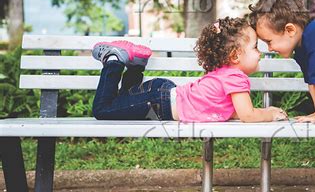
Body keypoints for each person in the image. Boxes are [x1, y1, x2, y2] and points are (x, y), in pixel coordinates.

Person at [91, 17, 288, 123]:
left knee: (122, 100)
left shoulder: (225, 73)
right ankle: (115, 60)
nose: (259, 52)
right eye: (255, 47)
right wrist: (269, 113)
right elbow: (248, 115)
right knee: (103, 110)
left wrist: (259, 112)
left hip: (160, 96)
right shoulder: (236, 78)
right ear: (235, 56)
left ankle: (135, 66)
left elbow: (233, 112)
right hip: (159, 101)